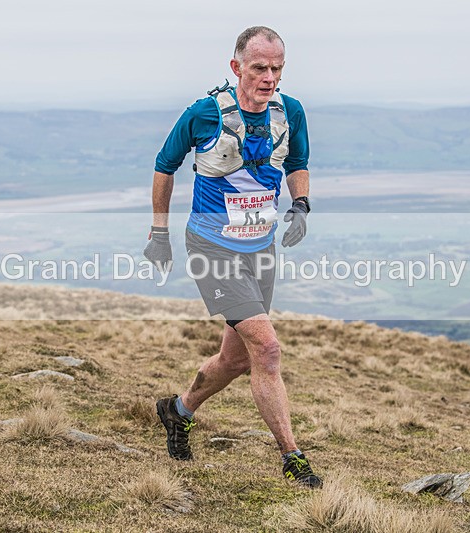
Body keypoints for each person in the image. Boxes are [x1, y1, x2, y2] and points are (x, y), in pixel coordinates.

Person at [144, 26, 321, 488]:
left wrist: (300, 204)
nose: (269, 77)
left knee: (237, 359)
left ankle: (178, 411)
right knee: (267, 348)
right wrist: (158, 232)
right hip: (212, 246)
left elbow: (298, 163)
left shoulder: (290, 112)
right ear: (236, 67)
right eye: (259, 67)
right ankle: (292, 457)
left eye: (277, 68)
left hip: (260, 246)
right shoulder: (204, 113)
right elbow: (165, 165)